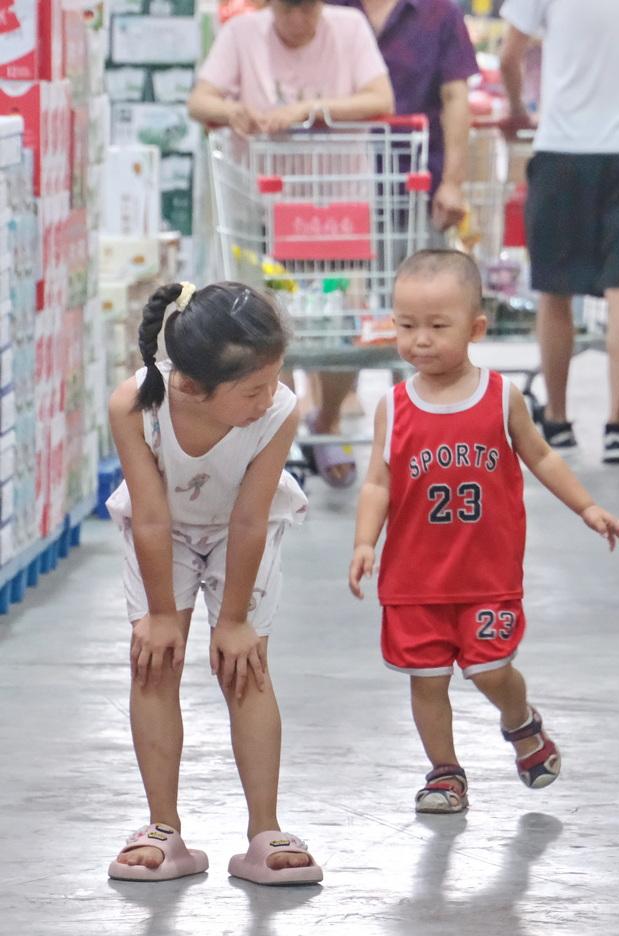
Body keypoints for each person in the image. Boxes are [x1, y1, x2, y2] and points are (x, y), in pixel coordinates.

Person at [348, 249, 619, 813]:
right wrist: (366, 541)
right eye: (406, 325)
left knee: (491, 670)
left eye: (438, 326)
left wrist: (589, 508)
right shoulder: (394, 405)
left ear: (476, 328)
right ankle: (444, 773)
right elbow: (378, 483)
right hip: (414, 582)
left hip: (487, 576)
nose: (421, 340)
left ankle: (521, 721)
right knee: (426, 682)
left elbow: (542, 456)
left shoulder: (499, 396)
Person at [105, 280, 323, 885]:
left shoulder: (277, 409)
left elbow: (252, 516)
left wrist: (232, 622)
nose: (269, 396)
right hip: (162, 532)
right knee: (153, 661)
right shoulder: (135, 407)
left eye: (274, 378)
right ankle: (162, 828)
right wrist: (159, 615)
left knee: (245, 665)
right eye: (253, 389)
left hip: (240, 533)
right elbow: (150, 516)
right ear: (192, 386)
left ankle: (264, 831)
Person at [188, 0, 395, 487]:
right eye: (286, 10)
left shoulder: (349, 29)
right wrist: (231, 109)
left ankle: (327, 418)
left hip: (335, 209)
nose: (297, 22)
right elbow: (200, 101)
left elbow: (379, 96)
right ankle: (284, 426)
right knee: (264, 326)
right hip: (261, 207)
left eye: (307, 10)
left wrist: (311, 109)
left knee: (344, 323)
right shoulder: (242, 35)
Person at [499, 0, 619, 462]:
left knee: (555, 287)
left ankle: (556, 421)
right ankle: (617, 426)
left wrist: (520, 109)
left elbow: (508, 53)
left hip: (563, 146)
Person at [331, 0, 478, 233]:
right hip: (332, 182)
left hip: (414, 183)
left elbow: (455, 97)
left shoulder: (440, 13)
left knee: (414, 265)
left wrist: (452, 182)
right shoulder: (328, 8)